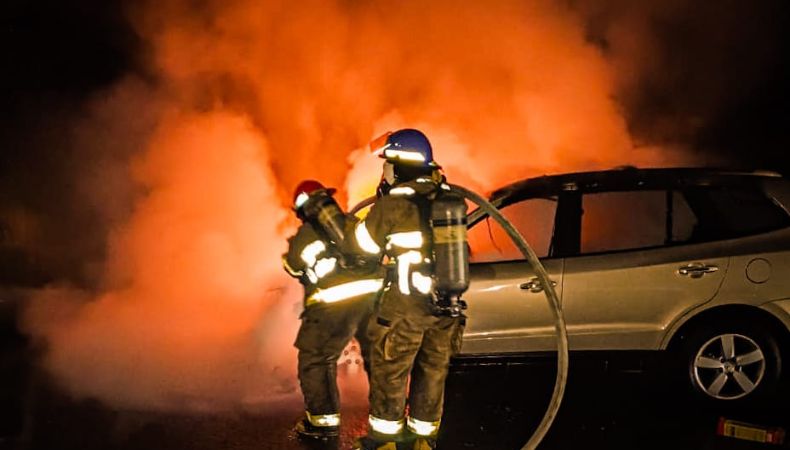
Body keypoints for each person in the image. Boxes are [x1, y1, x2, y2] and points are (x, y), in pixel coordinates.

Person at [349, 129, 467, 450]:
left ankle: (385, 443)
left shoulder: (393, 206)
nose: (384, 170)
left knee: (391, 375)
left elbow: (363, 247)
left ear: (399, 165)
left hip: (406, 309)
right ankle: (424, 442)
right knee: (432, 374)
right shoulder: (451, 199)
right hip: (447, 308)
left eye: (387, 164)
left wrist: (371, 210)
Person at [283, 180, 384, 440]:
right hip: (372, 300)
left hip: (332, 306)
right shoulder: (352, 223)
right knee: (378, 359)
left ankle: (322, 423)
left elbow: (293, 266)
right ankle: (387, 419)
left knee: (316, 358)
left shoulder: (305, 235)